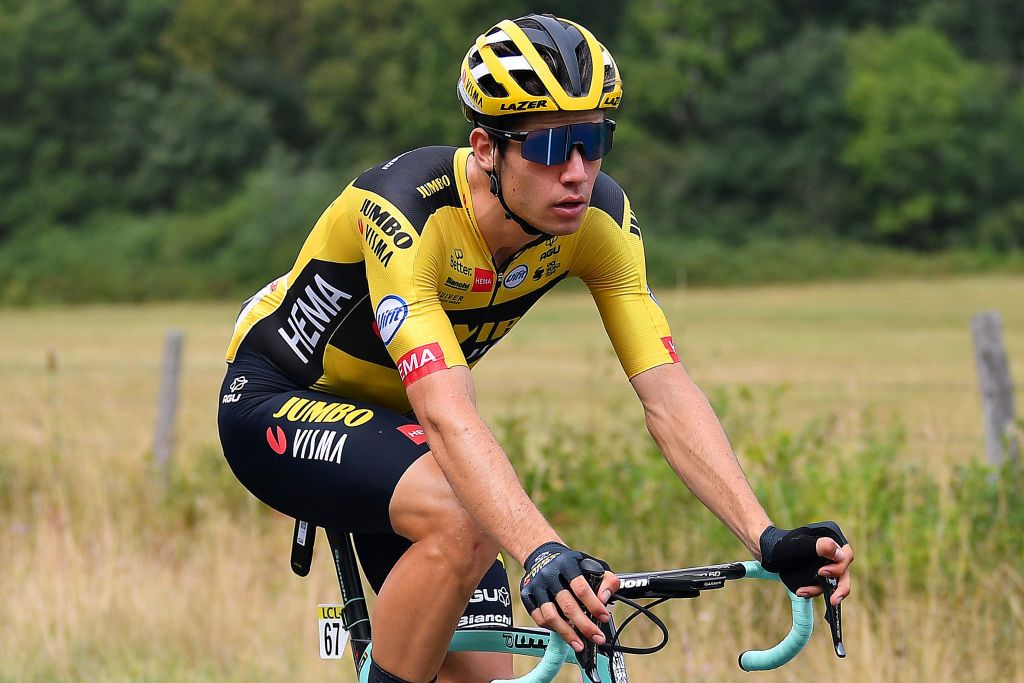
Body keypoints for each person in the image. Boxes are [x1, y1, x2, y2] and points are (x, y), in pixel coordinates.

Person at [217, 13, 854, 683]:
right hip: (280, 402)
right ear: (486, 149)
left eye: (594, 140)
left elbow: (667, 392)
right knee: (468, 515)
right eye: (551, 148)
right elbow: (446, 414)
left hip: (401, 436)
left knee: (484, 675)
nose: (578, 172)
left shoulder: (597, 220)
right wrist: (542, 551)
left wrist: (766, 535)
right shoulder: (409, 209)